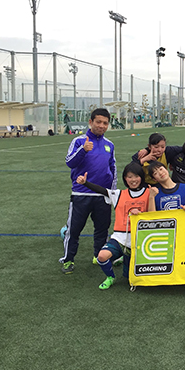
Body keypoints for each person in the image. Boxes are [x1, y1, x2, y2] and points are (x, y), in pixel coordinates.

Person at [75, 162, 149, 290]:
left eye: (136, 176)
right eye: (130, 177)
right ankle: (110, 277)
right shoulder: (119, 194)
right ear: (125, 178)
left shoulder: (150, 193)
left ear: (141, 177)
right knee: (101, 256)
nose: (133, 180)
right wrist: (85, 183)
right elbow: (102, 190)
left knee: (129, 277)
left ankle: (125, 258)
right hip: (120, 238)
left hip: (141, 240)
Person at [61, 108, 116, 275]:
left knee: (102, 229)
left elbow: (112, 168)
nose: (101, 126)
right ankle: (68, 259)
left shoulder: (109, 145)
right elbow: (69, 162)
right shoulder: (79, 141)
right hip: (81, 194)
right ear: (90, 122)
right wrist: (83, 150)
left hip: (102, 195)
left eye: (105, 123)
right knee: (74, 230)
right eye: (98, 122)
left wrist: (112, 192)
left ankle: (98, 256)